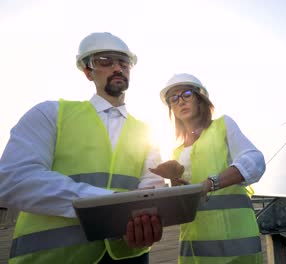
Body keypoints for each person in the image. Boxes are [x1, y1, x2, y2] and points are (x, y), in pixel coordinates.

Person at [0, 32, 165, 263]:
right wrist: (108, 203)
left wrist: (147, 219)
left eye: (123, 62)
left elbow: (152, 190)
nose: (117, 67)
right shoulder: (51, 114)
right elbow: (14, 179)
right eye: (105, 61)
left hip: (128, 256)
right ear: (88, 71)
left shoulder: (147, 132)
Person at [153, 73, 266, 263]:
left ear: (200, 99)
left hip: (235, 249)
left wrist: (210, 183)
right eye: (174, 98)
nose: (180, 101)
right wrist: (176, 189)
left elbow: (255, 161)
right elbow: (184, 205)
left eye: (187, 94)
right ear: (171, 108)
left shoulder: (222, 125)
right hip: (193, 249)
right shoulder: (177, 153)